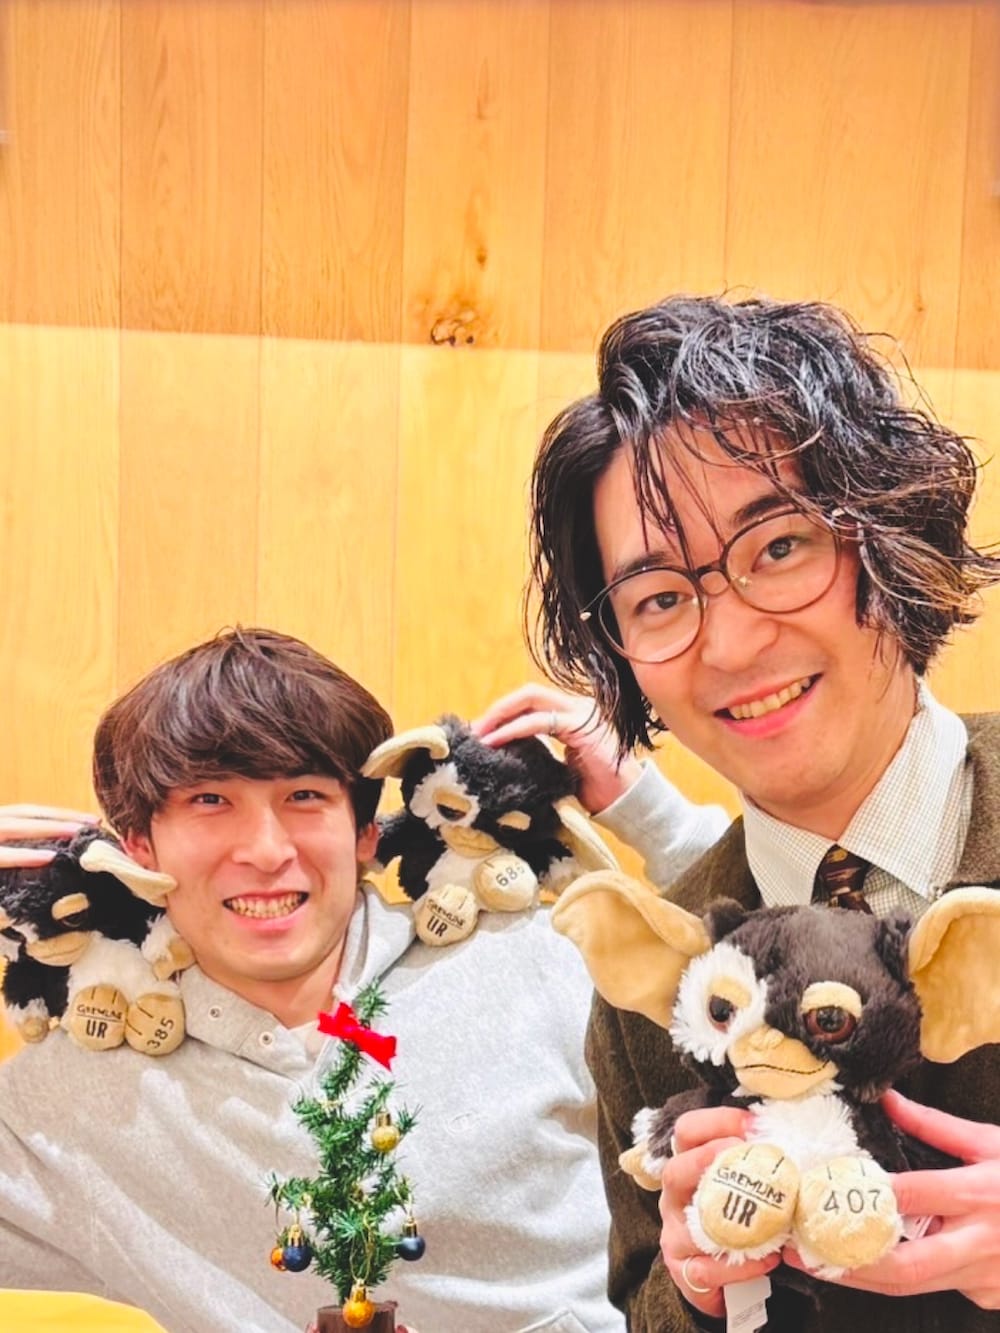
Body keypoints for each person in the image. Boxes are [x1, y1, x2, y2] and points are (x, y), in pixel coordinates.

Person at [487, 294, 1000, 1332]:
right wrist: (692, 1286)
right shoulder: (657, 966)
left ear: (888, 531)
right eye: (660, 598)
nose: (729, 645)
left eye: (777, 548)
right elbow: (640, 1294)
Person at [0, 626, 720, 1333]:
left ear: (366, 830)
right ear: (139, 846)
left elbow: (777, 1013)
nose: (265, 851)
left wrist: (651, 813)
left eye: (304, 796)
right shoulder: (77, 1097)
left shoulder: (539, 960)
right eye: (209, 801)